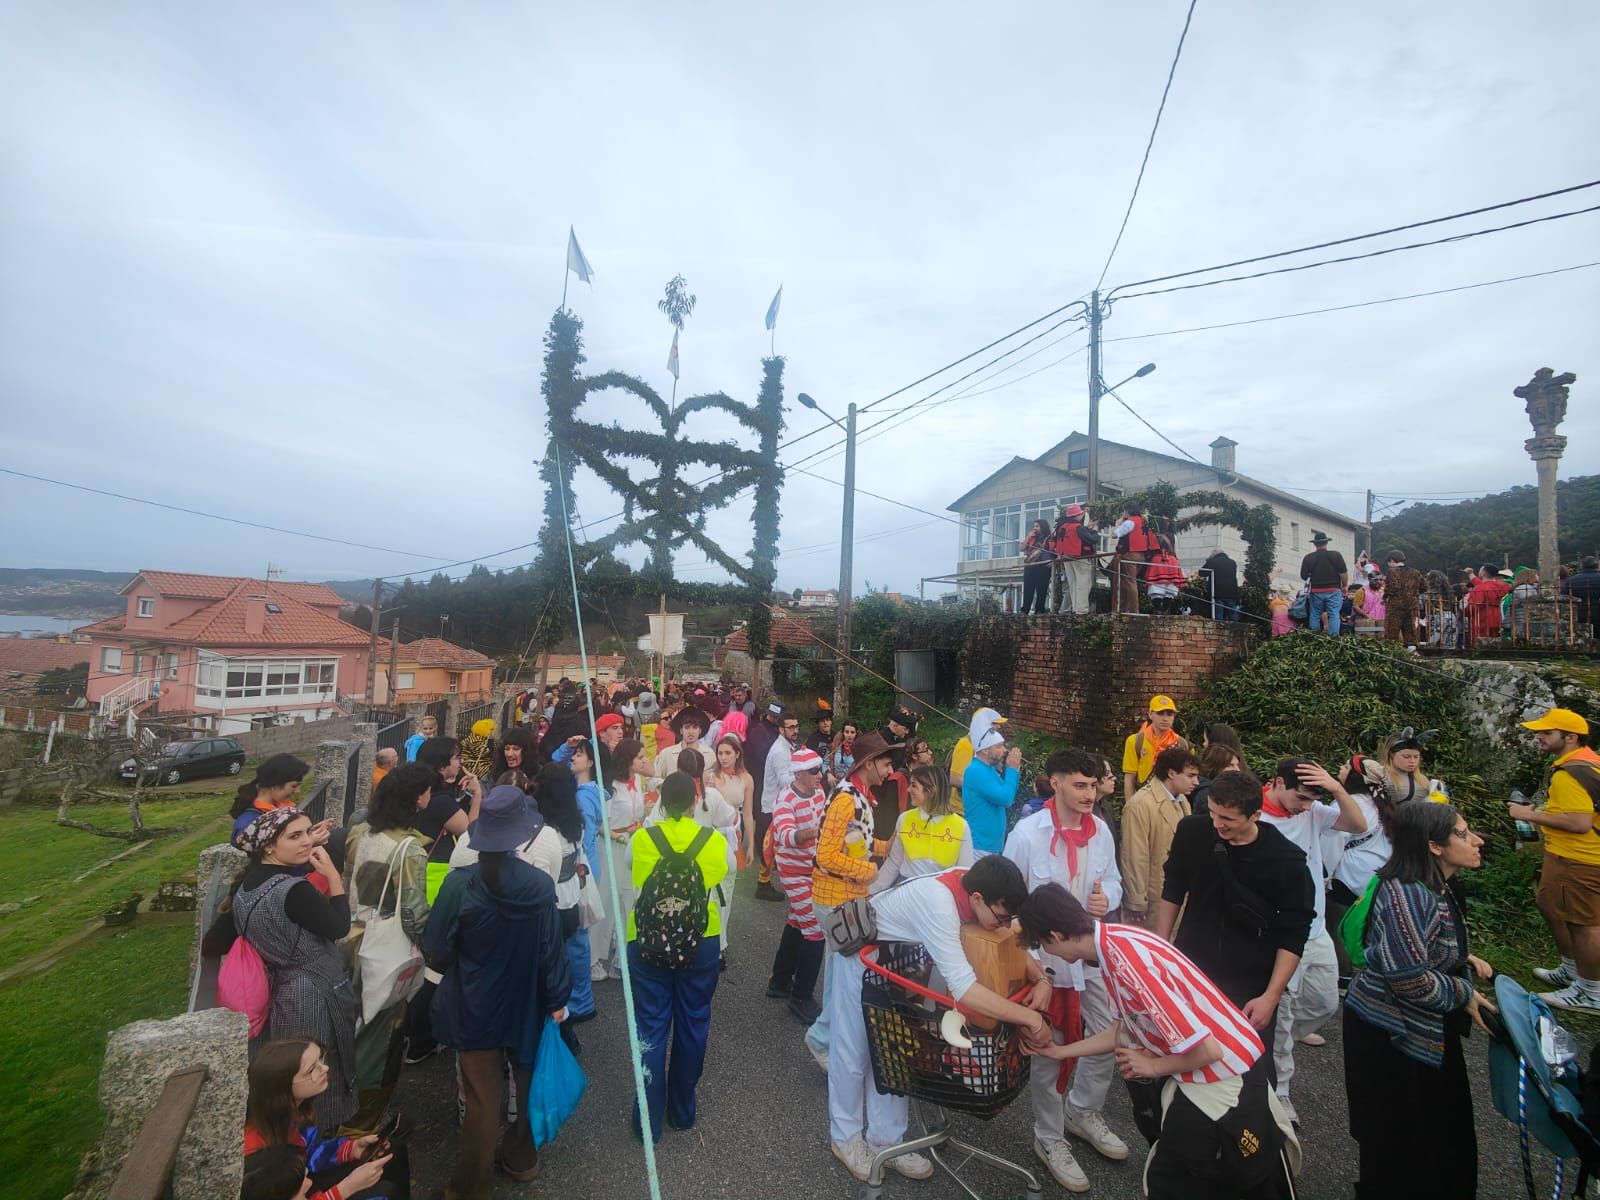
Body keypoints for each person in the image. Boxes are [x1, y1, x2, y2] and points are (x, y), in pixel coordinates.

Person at [1017, 885, 1295, 1200]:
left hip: (1224, 1081)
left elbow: (1207, 1050)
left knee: (1177, 1180)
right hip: (1231, 1066)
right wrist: (1061, 1051)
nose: (1046, 952)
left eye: (1041, 944)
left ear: (1054, 936)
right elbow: (1123, 1030)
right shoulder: (1115, 942)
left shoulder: (1127, 963)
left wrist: (1152, 1065)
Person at [828, 855, 1047, 1183]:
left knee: (893, 1053)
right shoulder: (938, 902)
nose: (1003, 926)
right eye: (1000, 917)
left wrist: (1042, 978)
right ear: (977, 899)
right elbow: (965, 989)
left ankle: (886, 1141)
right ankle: (845, 1139)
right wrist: (1031, 1018)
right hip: (862, 961)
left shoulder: (972, 882)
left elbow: (1012, 934)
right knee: (853, 1054)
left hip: (897, 966)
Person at [425, 784, 571, 1197]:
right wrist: (559, 997)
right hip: (528, 999)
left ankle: (472, 1184)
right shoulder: (540, 886)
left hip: (475, 999)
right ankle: (522, 1159)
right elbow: (551, 949)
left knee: (482, 1099)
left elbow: (435, 947)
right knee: (526, 1086)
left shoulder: (459, 885)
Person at [1343, 802, 1494, 1199]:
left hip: (1418, 1029)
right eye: (1463, 834)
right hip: (1391, 1035)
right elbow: (1410, 980)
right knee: (1400, 1144)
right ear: (1434, 846)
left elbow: (1425, 949)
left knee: (1437, 1138)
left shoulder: (1436, 884)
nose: (1477, 840)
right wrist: (1463, 992)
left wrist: (1460, 961)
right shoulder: (1407, 894)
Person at [1004, 749, 1128, 1190]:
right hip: (1047, 963)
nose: (1089, 794)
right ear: (1054, 783)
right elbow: (1010, 903)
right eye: (1079, 785)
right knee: (1048, 1047)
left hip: (1093, 955)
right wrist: (1031, 965)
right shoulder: (1026, 835)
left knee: (1111, 1033)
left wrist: (1106, 900)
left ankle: (1084, 1111)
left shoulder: (1101, 833)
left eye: (1094, 785)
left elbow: (1113, 880)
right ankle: (1049, 1137)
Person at [203, 808, 358, 1131]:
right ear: (270, 847)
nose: (307, 842)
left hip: (282, 990)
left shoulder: (248, 885)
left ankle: (295, 1138)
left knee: (294, 1073)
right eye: (295, 836)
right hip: (314, 992)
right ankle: (318, 1141)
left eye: (307, 833)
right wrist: (332, 875)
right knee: (316, 1071)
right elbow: (339, 926)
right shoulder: (295, 891)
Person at [1155, 772, 1315, 1067]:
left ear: (1256, 814)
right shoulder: (1192, 831)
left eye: (1228, 818)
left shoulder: (1286, 860)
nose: (1217, 824)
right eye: (1213, 813)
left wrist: (1270, 997)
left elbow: (1294, 931)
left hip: (1249, 981)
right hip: (1191, 967)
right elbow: (1174, 887)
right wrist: (1162, 949)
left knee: (1243, 1065)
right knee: (1179, 1057)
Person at [1258, 759, 1367, 1121]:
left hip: (1316, 926)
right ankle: (1280, 1091)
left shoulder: (1314, 812)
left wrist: (1337, 789)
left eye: (1311, 800)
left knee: (1324, 1002)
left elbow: (1357, 824)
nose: (1306, 806)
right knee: (1283, 1012)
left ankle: (1270, 1040)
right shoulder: (1254, 814)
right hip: (1279, 932)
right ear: (1277, 783)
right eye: (1301, 798)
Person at [627, 771, 729, 1142]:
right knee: (693, 1022)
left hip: (646, 940)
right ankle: (682, 1110)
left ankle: (647, 1119)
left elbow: (631, 873)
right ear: (693, 802)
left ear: (661, 802)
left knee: (651, 1027)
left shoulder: (643, 839)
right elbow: (725, 872)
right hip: (700, 940)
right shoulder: (713, 840)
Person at [343, 763, 434, 1129]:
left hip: (352, 937)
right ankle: (364, 1121)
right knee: (380, 1035)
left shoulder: (360, 833)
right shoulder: (410, 850)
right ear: (416, 798)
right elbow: (413, 913)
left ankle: (342, 1107)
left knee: (353, 1025)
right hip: (386, 946)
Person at [805, 730, 901, 1071]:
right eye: (887, 763)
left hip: (845, 898)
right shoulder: (847, 798)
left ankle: (828, 1039)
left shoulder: (858, 795)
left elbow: (856, 840)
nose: (890, 771)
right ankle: (822, 1038)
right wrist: (867, 872)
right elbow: (826, 855)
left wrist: (885, 847)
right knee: (841, 979)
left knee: (842, 976)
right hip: (836, 900)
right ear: (870, 763)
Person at [243, 1038, 402, 1200]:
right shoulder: (255, 1155)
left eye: (321, 1059)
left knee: (394, 1151)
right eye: (312, 1069)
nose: (325, 1068)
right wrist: (344, 1189)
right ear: (282, 1085)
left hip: (303, 1181)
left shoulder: (288, 1113)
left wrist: (352, 1149)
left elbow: (308, 1152)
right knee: (384, 1191)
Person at [1516, 707, 1600, 1011]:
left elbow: (1580, 823)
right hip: (1567, 854)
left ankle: (1590, 990)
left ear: (1571, 737)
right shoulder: (1588, 762)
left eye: (1547, 733)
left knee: (1583, 923)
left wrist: (1529, 815)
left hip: (1580, 858)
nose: (1539, 737)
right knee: (1549, 903)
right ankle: (1572, 969)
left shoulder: (1570, 773)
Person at [646, 747, 739, 962]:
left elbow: (650, 823)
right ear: (702, 770)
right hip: (704, 857)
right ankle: (718, 947)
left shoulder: (667, 796)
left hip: (670, 860)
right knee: (713, 902)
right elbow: (730, 818)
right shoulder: (711, 795)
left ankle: (669, 938)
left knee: (672, 901)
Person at [768, 748, 830, 1022]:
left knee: (797, 921)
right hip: (793, 871)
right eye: (815, 771)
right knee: (815, 931)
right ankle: (801, 997)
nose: (821, 775)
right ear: (799, 774)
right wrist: (818, 830)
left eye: (821, 769)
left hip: (813, 868)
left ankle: (780, 982)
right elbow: (785, 835)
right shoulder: (785, 799)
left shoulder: (819, 793)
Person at [1328, 761, 1397, 979]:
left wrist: (1324, 877)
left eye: (1346, 766)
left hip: (1347, 878)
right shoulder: (1384, 806)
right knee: (1362, 928)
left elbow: (1331, 845)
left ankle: (1343, 974)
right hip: (1375, 880)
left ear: (1356, 777)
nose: (1341, 768)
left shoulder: (1346, 804)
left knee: (1339, 927)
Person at [1119, 746, 1200, 928]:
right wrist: (1136, 901)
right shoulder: (1139, 804)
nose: (1196, 782)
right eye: (1190, 775)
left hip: (1174, 892)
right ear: (1172, 773)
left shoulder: (1182, 801)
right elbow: (1134, 856)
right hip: (1153, 895)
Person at [594, 740, 653, 982]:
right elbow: (598, 823)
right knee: (606, 900)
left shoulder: (638, 781)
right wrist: (618, 835)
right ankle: (594, 959)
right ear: (627, 759)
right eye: (640, 756)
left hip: (632, 846)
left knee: (631, 899)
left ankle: (622, 959)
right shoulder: (609, 786)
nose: (644, 760)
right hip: (609, 847)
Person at [874, 764, 973, 891]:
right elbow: (894, 862)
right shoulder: (904, 819)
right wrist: (872, 892)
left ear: (931, 790)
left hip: (941, 895)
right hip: (907, 891)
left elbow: (964, 873)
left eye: (914, 785)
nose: (908, 790)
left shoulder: (961, 826)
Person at [743, 702, 785, 899]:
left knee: (768, 824)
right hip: (761, 782)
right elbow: (763, 756)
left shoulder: (774, 732)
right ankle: (763, 860)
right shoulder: (760, 732)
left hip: (768, 784)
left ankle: (768, 861)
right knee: (764, 823)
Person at [961, 725, 1022, 855]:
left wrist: (1014, 770)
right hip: (980, 845)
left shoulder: (989, 769)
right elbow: (1006, 799)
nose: (1005, 750)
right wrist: (1012, 770)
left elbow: (1008, 792)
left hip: (989, 844)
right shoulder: (976, 770)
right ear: (986, 751)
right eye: (999, 746)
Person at [231, 754, 314, 843]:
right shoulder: (249, 821)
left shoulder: (278, 807)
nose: (298, 791)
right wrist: (310, 841)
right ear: (274, 785)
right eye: (294, 786)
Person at [1120, 694, 1189, 802]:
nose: (1165, 718)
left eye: (1169, 714)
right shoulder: (1135, 741)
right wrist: (1130, 806)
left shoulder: (1181, 744)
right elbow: (1129, 778)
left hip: (1171, 801)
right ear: (1150, 714)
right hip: (1143, 799)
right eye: (1160, 713)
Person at [1358, 727, 1439, 804]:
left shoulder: (1423, 780)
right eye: (1406, 757)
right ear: (1392, 755)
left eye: (1416, 757)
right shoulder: (1381, 773)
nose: (1412, 761)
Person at [950, 707, 1007, 810]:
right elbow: (955, 779)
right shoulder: (966, 744)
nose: (999, 727)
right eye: (994, 723)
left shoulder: (987, 745)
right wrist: (984, 788)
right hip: (962, 810)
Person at [1111, 501, 1159, 615]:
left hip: (1129, 554)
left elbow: (1115, 534)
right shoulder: (1143, 520)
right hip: (1141, 555)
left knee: (1129, 581)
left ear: (1127, 511)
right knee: (1128, 581)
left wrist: (1117, 524)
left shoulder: (1129, 522)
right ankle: (1125, 608)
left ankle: (1133, 609)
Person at [1050, 503, 1098, 615]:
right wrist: (1095, 530)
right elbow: (1092, 539)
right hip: (1080, 557)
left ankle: (1076, 609)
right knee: (1083, 583)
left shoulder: (1062, 526)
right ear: (1077, 515)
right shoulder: (1078, 527)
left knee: (1073, 584)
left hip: (1066, 558)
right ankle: (1082, 610)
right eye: (1081, 513)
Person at [1299, 532, 1348, 635]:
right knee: (1334, 614)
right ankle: (1333, 638)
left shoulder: (1308, 558)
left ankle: (1314, 637)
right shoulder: (1336, 555)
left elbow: (1303, 576)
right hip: (1334, 590)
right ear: (1326, 542)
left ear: (1315, 544)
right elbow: (1343, 573)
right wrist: (1344, 586)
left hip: (1316, 591)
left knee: (1315, 614)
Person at [1190, 742, 1242, 821]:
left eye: (1237, 765)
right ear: (1215, 767)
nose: (1237, 770)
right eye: (1230, 765)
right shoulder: (1207, 793)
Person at [1382, 552, 1424, 646]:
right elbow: (1424, 586)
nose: (1389, 565)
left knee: (1392, 631)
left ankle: (1392, 651)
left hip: (1395, 606)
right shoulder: (1415, 572)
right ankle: (1412, 651)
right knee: (1410, 630)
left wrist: (1384, 597)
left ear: (1392, 560)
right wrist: (1413, 593)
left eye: (1389, 563)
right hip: (1411, 605)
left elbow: (1391, 588)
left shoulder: (1392, 572)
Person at [1465, 563, 1509, 647]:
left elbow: (1473, 606)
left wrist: (1463, 611)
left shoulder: (1479, 588)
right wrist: (1470, 574)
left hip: (1482, 618)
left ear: (1483, 573)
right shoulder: (1504, 586)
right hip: (1498, 617)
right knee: (1497, 641)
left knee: (1480, 642)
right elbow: (1485, 585)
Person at [1020, 518, 1055, 616]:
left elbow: (1055, 551)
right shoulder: (1032, 538)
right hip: (1030, 566)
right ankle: (1024, 610)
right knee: (1028, 589)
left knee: (1041, 590)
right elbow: (1022, 548)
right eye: (1034, 526)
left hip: (1043, 567)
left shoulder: (1050, 538)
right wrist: (1028, 536)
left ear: (1042, 527)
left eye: (1037, 526)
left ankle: (1039, 611)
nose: (1034, 528)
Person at [486, 727, 536, 793]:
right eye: (507, 749)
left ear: (526, 751)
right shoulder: (494, 774)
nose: (509, 754)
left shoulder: (537, 777)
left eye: (516, 749)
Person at [1143, 538, 1186, 614]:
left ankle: (1158, 609)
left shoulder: (1154, 559)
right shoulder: (1173, 559)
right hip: (1171, 580)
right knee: (1169, 592)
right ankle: (1164, 609)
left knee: (1156, 592)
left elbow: (1150, 573)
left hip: (1157, 581)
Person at [1562, 556, 1600, 633]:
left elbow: (1564, 597)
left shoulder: (1571, 580)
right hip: (1598, 609)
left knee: (1583, 635)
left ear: (1582, 566)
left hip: (1579, 611)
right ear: (1597, 565)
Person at [1202, 548, 1242, 621]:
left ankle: (1219, 630)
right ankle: (1237, 629)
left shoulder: (1213, 561)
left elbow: (1202, 573)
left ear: (1213, 555)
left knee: (1218, 615)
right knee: (1233, 613)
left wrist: (1208, 561)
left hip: (1218, 593)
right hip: (1231, 592)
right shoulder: (1232, 562)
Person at [826, 719, 858, 787]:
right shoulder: (835, 747)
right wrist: (829, 774)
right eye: (847, 732)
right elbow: (825, 762)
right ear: (843, 733)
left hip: (853, 786)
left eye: (852, 732)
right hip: (836, 785)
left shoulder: (860, 750)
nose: (849, 735)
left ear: (856, 733)